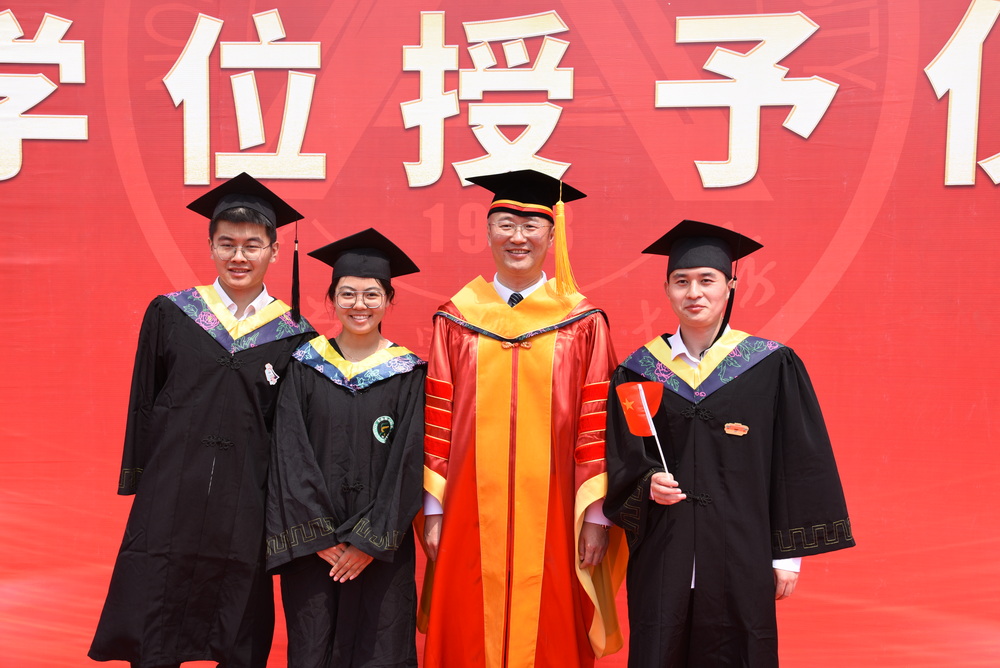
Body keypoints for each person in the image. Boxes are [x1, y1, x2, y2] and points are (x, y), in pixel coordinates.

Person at [604, 220, 855, 667]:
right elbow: (622, 455)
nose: (694, 293)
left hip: (742, 549)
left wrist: (788, 557)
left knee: (739, 651)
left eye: (707, 280)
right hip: (665, 548)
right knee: (659, 647)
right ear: (667, 289)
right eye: (681, 281)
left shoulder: (770, 365)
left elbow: (796, 462)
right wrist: (646, 484)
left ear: (730, 287)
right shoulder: (638, 371)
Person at [89, 173, 316, 668]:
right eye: (227, 244)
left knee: (237, 613)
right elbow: (144, 401)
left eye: (252, 245)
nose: (239, 256)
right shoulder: (173, 314)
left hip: (246, 498)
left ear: (275, 251)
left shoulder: (295, 336)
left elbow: (292, 436)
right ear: (211, 246)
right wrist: (143, 479)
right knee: (157, 609)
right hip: (171, 492)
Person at [420, 169, 626, 668]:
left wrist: (595, 517)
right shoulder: (456, 319)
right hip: (467, 508)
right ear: (487, 231)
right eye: (506, 224)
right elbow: (436, 418)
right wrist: (433, 510)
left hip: (559, 507)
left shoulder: (582, 322)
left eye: (532, 226)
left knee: (552, 626)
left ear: (552, 237)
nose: (518, 237)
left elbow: (598, 423)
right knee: (468, 625)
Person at [265, 228, 425, 668]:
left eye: (372, 295)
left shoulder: (409, 373)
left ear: (389, 301)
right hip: (316, 550)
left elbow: (409, 462)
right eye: (348, 294)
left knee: (381, 649)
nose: (360, 305)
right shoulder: (304, 367)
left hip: (381, 549)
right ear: (331, 299)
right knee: (313, 645)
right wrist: (319, 536)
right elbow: (289, 454)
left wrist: (368, 541)